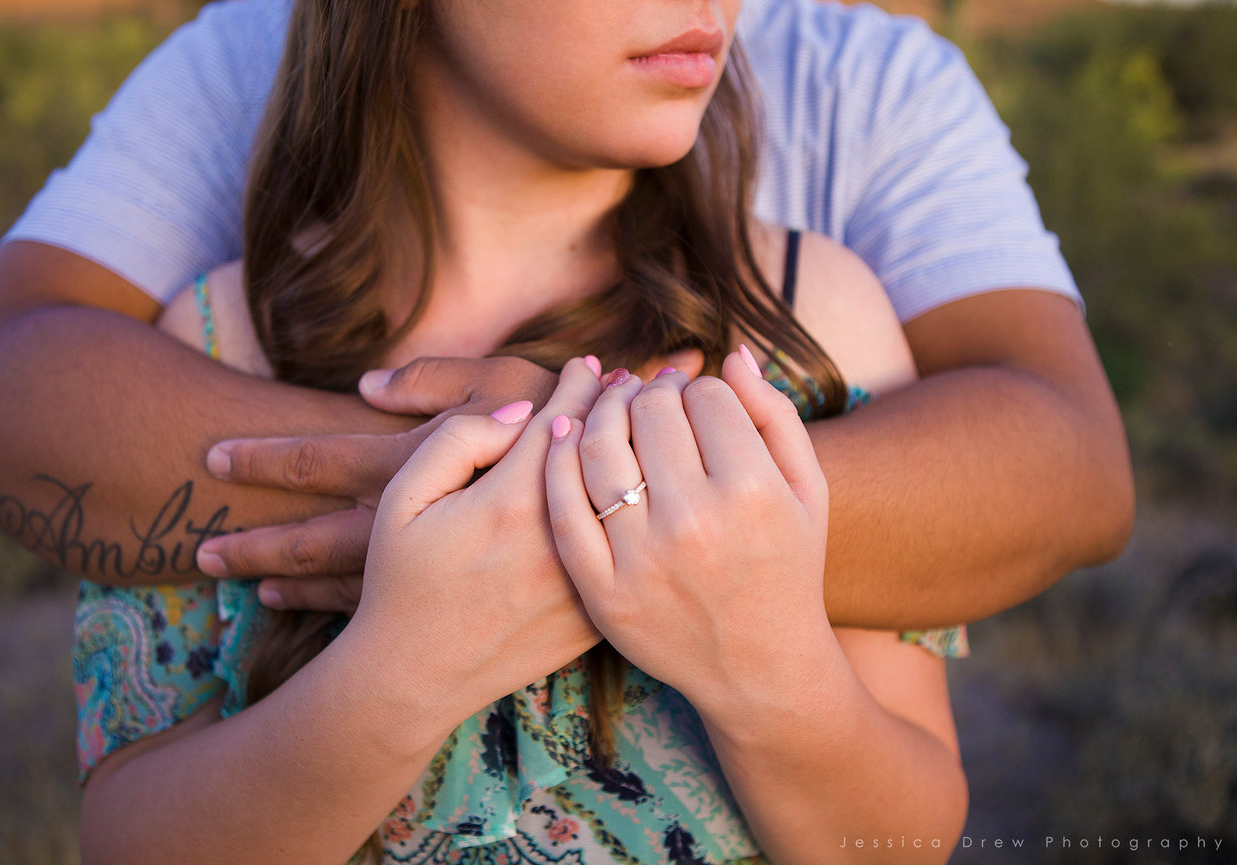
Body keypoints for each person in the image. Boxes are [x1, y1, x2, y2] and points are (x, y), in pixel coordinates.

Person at [73, 1, 966, 859]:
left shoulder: (811, 323)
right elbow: (129, 840)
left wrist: (768, 667)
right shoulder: (215, 345)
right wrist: (402, 670)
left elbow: (911, 840)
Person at [0, 0, 1132, 626]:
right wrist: (448, 485)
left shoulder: (872, 82)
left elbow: (1068, 466)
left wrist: (563, 493)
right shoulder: (246, 57)